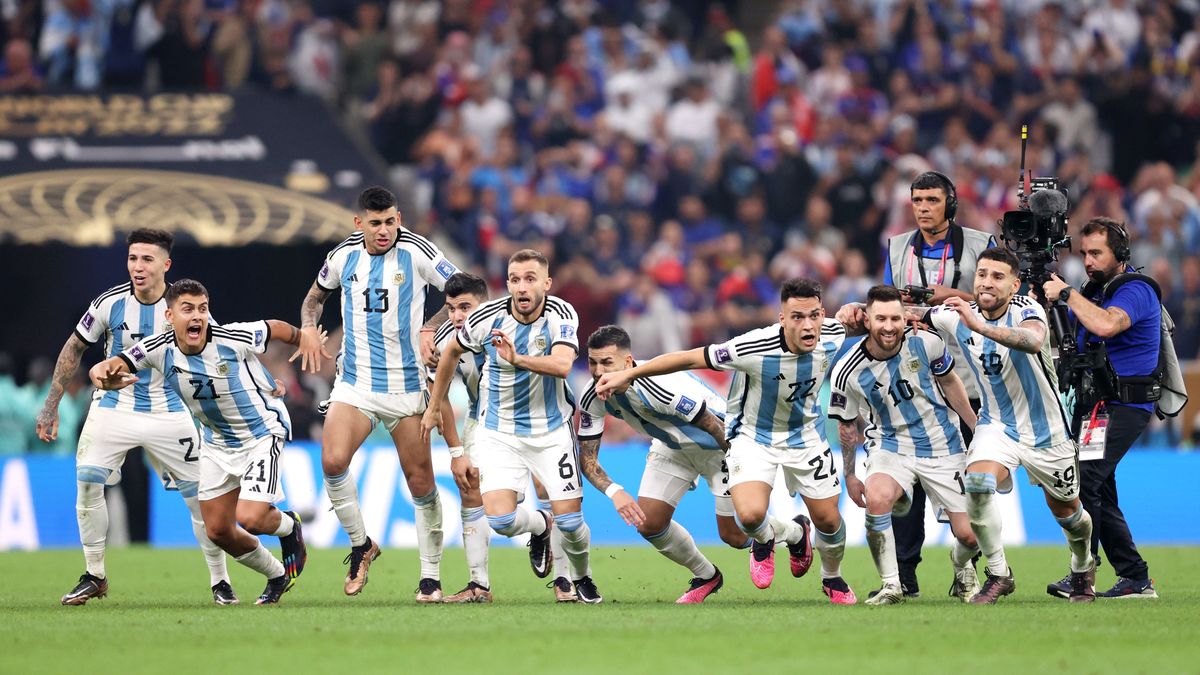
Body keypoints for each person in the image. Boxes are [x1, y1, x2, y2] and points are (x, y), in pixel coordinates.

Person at [597, 278, 859, 605]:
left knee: (823, 520)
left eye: (814, 315)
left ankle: (828, 573)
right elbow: (691, 357)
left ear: (823, 314)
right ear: (782, 318)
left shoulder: (833, 333)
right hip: (748, 436)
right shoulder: (754, 346)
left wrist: (865, 311)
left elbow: (878, 320)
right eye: (797, 317)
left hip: (793, 437)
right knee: (742, 518)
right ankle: (727, 562)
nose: (808, 325)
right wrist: (631, 374)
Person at [36, 229, 232, 606]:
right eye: (132, 259)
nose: (138, 267)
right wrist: (51, 404)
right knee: (89, 481)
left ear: (166, 264)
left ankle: (220, 581)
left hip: (171, 410)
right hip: (114, 407)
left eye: (147, 259)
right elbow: (75, 346)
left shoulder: (185, 306)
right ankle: (95, 574)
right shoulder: (109, 303)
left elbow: (217, 354)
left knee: (201, 500)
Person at [87, 279, 308, 605]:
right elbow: (113, 364)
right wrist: (100, 374)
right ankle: (276, 575)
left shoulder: (231, 337)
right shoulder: (157, 347)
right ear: (169, 315)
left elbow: (274, 327)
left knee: (251, 518)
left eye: (202, 309)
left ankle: (290, 527)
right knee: (217, 531)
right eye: (187, 309)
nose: (197, 317)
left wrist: (306, 338)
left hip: (259, 434)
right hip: (217, 443)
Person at [293, 186, 460, 602]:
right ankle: (361, 545)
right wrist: (310, 328)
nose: (384, 230)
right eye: (375, 223)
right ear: (359, 223)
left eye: (390, 222)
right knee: (332, 461)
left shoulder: (419, 251)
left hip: (406, 385)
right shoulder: (342, 256)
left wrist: (430, 325)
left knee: (420, 482)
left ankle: (430, 577)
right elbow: (313, 300)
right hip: (356, 382)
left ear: (398, 219)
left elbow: (463, 292)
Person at [421, 249, 602, 604]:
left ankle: (579, 576)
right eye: (515, 279)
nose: (522, 287)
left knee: (570, 522)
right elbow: (450, 354)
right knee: (501, 520)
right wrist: (431, 409)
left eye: (530, 279)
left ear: (546, 284)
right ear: (507, 284)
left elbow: (564, 365)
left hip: (551, 429)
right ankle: (539, 526)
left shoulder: (562, 314)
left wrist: (518, 359)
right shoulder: (485, 318)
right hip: (498, 430)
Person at [922, 248, 1096, 604]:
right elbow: (910, 316)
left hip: (1046, 431)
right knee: (978, 482)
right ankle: (999, 573)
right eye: (982, 274)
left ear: (1014, 284)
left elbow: (1032, 339)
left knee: (1069, 515)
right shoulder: (956, 314)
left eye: (997, 276)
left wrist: (981, 327)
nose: (987, 282)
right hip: (996, 424)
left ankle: (1083, 563)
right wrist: (859, 315)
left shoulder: (1027, 309)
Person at [881, 170, 994, 598]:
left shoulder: (982, 245)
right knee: (906, 484)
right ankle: (905, 574)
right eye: (917, 200)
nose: (923, 207)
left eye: (932, 199)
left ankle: (969, 567)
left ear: (951, 202)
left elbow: (1002, 300)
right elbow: (883, 302)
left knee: (972, 484)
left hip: (969, 378)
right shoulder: (895, 247)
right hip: (912, 379)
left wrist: (956, 296)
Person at [577, 325, 750, 604]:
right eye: (593, 362)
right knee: (650, 524)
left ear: (628, 362)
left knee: (734, 535)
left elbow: (711, 424)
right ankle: (707, 576)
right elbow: (587, 458)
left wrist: (738, 460)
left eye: (607, 363)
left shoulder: (656, 383)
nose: (598, 372)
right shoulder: (591, 395)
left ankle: (793, 532)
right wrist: (615, 492)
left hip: (718, 444)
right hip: (671, 446)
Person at [830, 285, 980, 605]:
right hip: (890, 445)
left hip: (943, 443)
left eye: (895, 319)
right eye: (881, 318)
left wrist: (974, 426)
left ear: (905, 318)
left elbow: (950, 381)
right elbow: (846, 425)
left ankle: (961, 562)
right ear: (866, 321)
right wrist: (851, 475)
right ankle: (891, 585)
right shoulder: (847, 370)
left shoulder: (927, 341)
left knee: (970, 535)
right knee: (878, 499)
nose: (889, 326)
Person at [1042, 218, 1161, 599]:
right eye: (1084, 254)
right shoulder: (1093, 290)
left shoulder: (1136, 289)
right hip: (1099, 405)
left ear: (1121, 254)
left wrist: (1065, 296)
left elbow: (1109, 325)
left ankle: (1083, 575)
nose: (1088, 261)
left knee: (1087, 478)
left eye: (1097, 253)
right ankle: (1134, 577)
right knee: (1100, 488)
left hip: (1128, 402)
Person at [429, 272, 494, 603]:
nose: (457, 316)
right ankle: (479, 585)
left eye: (465, 307)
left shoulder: (510, 325)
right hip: (479, 417)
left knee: (535, 496)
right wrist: (456, 451)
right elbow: (438, 397)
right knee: (470, 485)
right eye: (451, 308)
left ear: (485, 304)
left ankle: (565, 578)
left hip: (532, 420)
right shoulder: (443, 340)